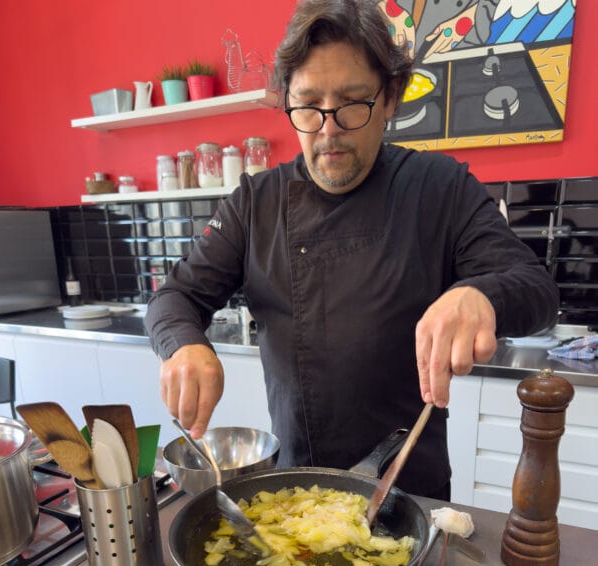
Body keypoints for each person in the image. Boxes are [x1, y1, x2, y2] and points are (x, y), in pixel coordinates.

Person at [145, 0, 559, 500]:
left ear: (389, 99)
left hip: (411, 493)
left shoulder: (440, 188)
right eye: (308, 106)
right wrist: (183, 344)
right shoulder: (255, 203)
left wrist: (480, 295)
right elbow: (174, 299)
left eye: (352, 103)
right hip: (294, 493)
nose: (328, 129)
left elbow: (537, 291)